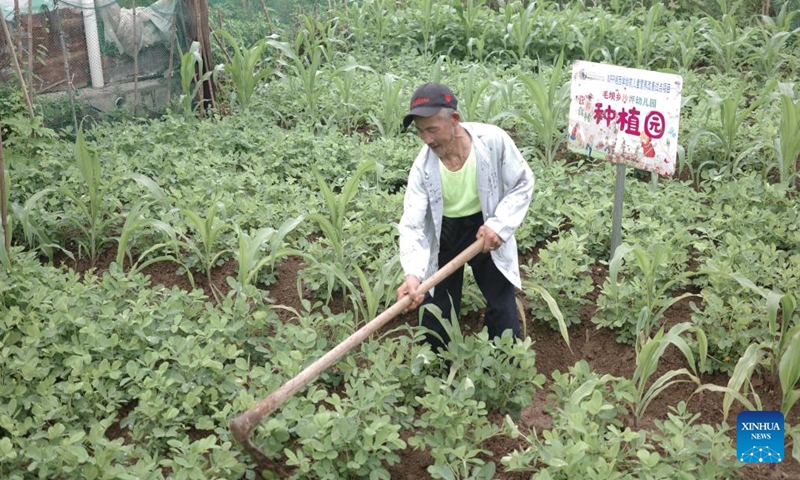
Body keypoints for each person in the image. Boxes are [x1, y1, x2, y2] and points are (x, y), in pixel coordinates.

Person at [395, 82, 535, 352]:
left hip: (486, 228)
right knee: (437, 309)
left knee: (501, 303)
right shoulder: (422, 168)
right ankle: (438, 372)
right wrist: (413, 275)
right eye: (421, 131)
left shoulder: (493, 142)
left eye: (432, 129)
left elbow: (522, 182)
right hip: (445, 233)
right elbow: (413, 226)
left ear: (454, 120)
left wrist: (499, 225)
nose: (426, 139)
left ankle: (505, 363)